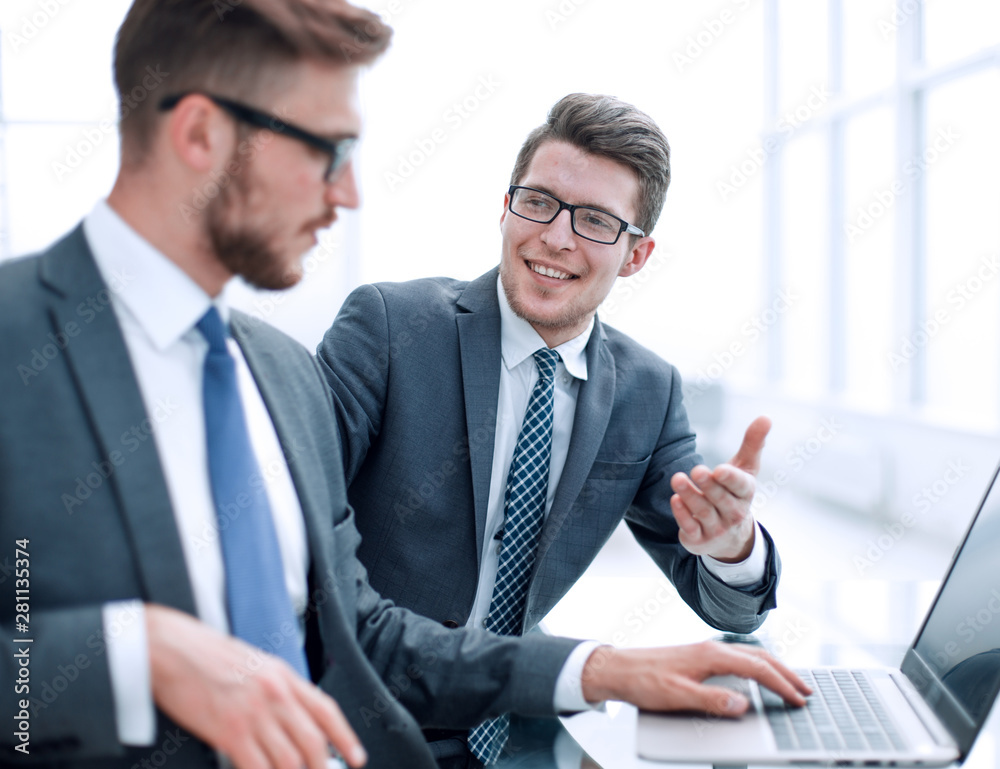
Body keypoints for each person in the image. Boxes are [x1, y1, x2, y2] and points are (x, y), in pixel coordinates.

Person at [0, 3, 809, 769]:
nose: (349, 193)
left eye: (593, 219)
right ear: (203, 134)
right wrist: (133, 657)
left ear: (635, 252)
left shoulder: (272, 372)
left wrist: (601, 667)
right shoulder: (20, 344)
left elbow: (362, 629)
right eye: (330, 149)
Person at [317, 93, 783, 760]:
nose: (556, 237)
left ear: (636, 254)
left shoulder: (648, 390)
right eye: (538, 202)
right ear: (505, 207)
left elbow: (732, 612)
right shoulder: (389, 328)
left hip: (515, 728)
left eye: (595, 220)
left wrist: (733, 545)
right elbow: (295, 548)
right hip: (354, 723)